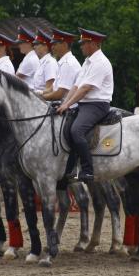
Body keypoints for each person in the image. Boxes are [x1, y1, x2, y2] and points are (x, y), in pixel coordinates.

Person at [56, 28, 113, 183]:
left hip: (97, 105)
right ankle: (69, 168)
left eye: (84, 43)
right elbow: (76, 85)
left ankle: (87, 171)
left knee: (76, 130)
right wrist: (65, 103)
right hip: (85, 104)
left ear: (93, 44)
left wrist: (67, 104)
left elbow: (86, 88)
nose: (80, 46)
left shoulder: (100, 62)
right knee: (64, 126)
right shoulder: (88, 62)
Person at [42, 28, 81, 101]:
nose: (52, 47)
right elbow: (53, 88)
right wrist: (39, 93)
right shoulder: (64, 62)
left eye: (55, 44)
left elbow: (59, 94)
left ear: (65, 45)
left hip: (68, 109)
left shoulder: (67, 63)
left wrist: (40, 98)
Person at [31, 28, 58, 95]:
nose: (34, 47)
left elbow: (49, 89)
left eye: (37, 44)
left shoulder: (50, 63)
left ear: (45, 46)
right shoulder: (42, 62)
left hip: (45, 101)